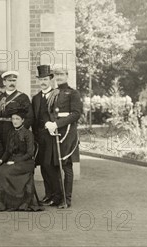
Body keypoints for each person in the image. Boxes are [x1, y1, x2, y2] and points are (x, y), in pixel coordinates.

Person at [42, 64, 82, 208]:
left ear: (66, 76)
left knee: (67, 166)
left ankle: (67, 200)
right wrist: (48, 123)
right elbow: (47, 111)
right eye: (57, 75)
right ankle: (58, 197)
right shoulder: (54, 93)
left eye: (61, 75)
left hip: (67, 133)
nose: (59, 77)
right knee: (54, 166)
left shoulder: (73, 93)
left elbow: (76, 114)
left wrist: (57, 124)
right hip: (54, 132)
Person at [0, 109, 41, 211]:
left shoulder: (28, 134)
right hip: (12, 160)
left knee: (5, 173)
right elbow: (7, 151)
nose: (15, 121)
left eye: (17, 119)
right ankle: (3, 203)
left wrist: (16, 161)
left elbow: (30, 153)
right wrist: (1, 160)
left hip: (26, 162)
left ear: (22, 120)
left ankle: (14, 203)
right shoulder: (11, 132)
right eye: (13, 119)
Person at [31, 64, 57, 204]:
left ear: (50, 80)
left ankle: (56, 195)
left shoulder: (56, 95)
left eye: (46, 79)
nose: (43, 82)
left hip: (52, 136)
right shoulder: (35, 98)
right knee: (43, 166)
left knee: (50, 165)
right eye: (41, 79)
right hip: (39, 136)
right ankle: (49, 194)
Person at [0, 71, 33, 149]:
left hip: (16, 131)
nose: (12, 83)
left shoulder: (23, 97)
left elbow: (29, 117)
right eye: (9, 81)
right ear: (4, 82)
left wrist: (21, 132)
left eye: (14, 81)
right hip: (1, 132)